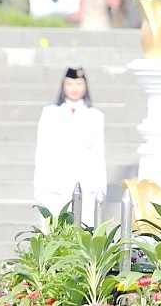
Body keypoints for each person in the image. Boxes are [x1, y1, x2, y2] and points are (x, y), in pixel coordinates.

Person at [33, 67, 107, 225]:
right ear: (63, 85)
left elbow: (99, 154)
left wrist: (101, 187)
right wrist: (39, 186)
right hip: (55, 182)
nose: (74, 88)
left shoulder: (95, 116)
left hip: (85, 182)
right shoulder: (50, 113)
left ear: (85, 86)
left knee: (83, 227)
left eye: (79, 83)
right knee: (52, 228)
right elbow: (42, 151)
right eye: (70, 84)